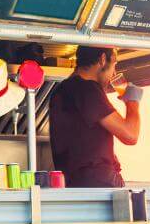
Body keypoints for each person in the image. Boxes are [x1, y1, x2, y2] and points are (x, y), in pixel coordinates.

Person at [47, 46, 143, 188]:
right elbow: (130, 135)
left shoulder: (62, 89)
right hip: (98, 183)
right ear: (103, 59)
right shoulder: (87, 89)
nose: (114, 73)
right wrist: (132, 102)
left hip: (73, 184)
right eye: (114, 65)